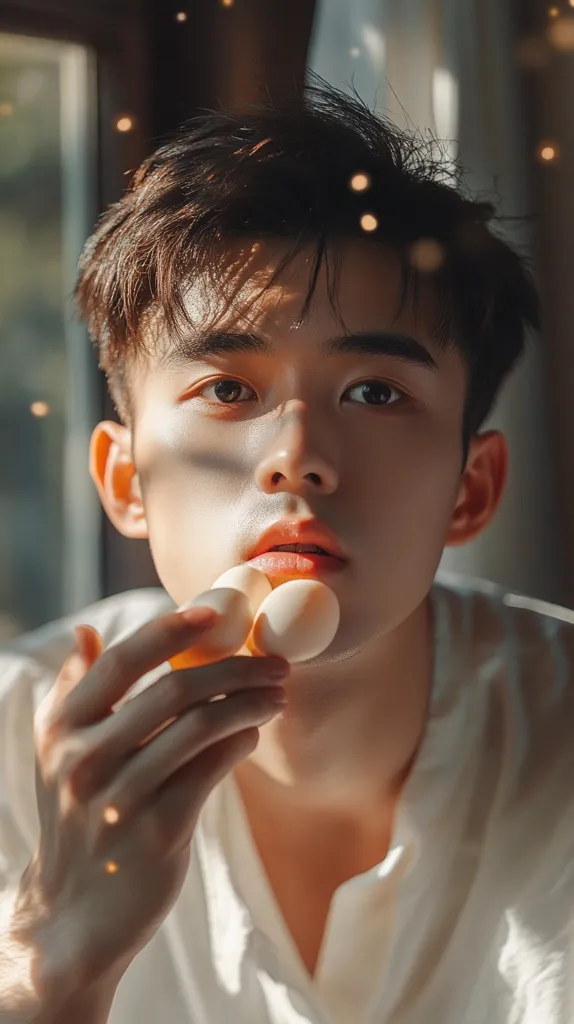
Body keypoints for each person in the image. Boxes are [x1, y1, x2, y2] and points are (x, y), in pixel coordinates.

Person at [0, 79, 572, 1024]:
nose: (297, 458)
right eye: (227, 390)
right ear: (127, 481)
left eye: (376, 393)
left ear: (470, 490)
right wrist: (50, 970)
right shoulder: (16, 739)